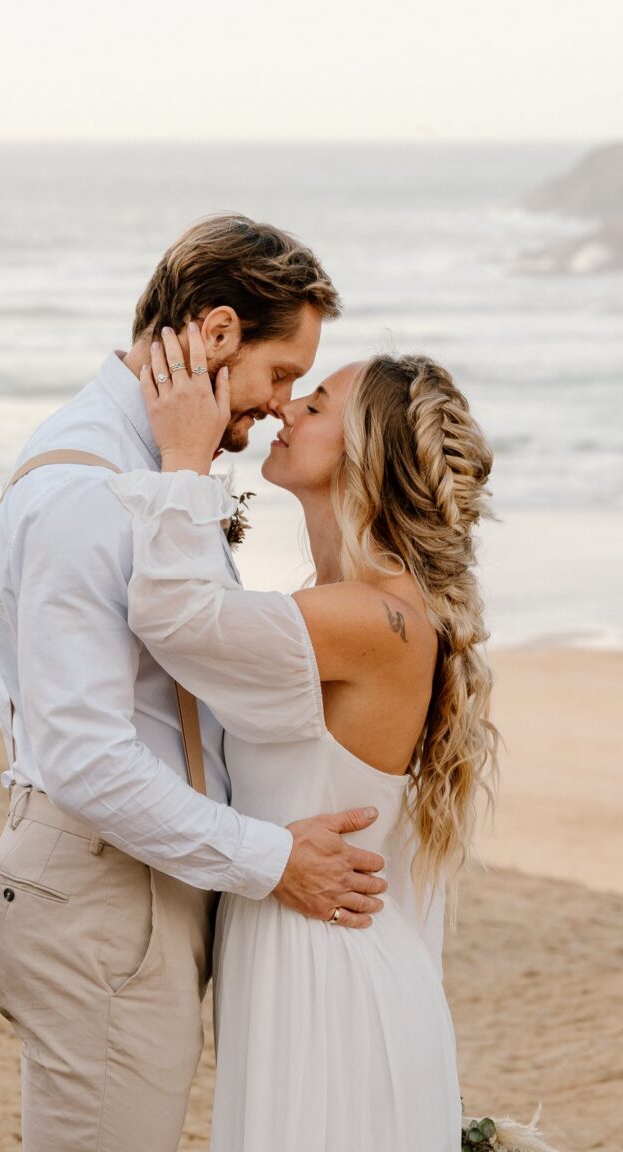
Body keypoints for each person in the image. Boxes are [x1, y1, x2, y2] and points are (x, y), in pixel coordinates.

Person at [0, 215, 391, 1152]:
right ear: (215, 334)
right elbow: (85, 757)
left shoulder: (157, 470)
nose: (284, 406)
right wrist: (272, 858)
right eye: (281, 374)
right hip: (96, 888)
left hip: (133, 881)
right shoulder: (89, 492)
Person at [109, 327, 499, 1151]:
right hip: (307, 953)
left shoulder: (375, 619)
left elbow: (173, 617)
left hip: (331, 977)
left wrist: (185, 456)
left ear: (365, 453)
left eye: (315, 403)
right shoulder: (338, 608)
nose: (286, 407)